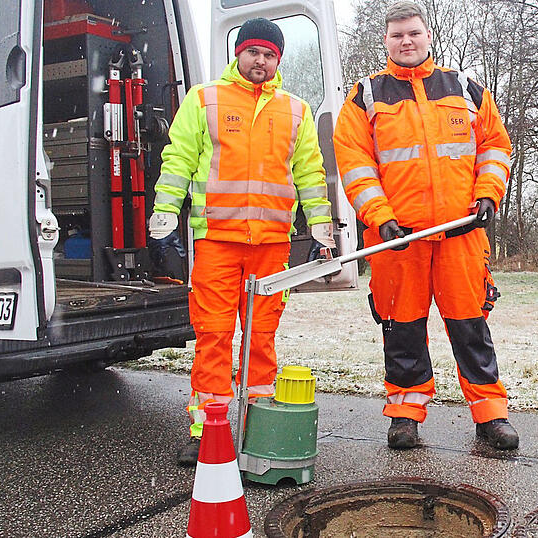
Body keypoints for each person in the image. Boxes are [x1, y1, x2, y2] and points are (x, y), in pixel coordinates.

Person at [148, 18, 335, 465]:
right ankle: (206, 430)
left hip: (271, 244)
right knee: (213, 334)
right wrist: (163, 220)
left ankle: (256, 424)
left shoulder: (296, 110)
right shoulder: (205, 99)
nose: (261, 60)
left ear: (278, 60)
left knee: (260, 337)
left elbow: (310, 174)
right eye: (254, 51)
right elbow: (177, 160)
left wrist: (323, 231)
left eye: (270, 54)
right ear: (238, 53)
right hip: (217, 240)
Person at [332, 1, 518, 450]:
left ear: (428, 35)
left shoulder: (467, 89)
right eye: (397, 35)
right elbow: (355, 166)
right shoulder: (365, 97)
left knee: (472, 327)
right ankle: (404, 415)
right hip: (398, 240)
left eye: (413, 33)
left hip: (461, 235)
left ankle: (491, 416)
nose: (406, 41)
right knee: (402, 328)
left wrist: (489, 194)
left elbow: (495, 148)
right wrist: (381, 218)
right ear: (386, 41)